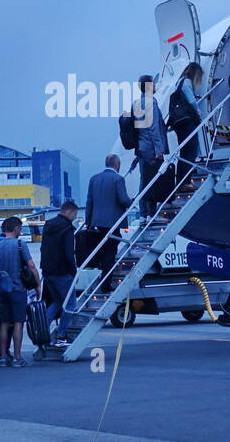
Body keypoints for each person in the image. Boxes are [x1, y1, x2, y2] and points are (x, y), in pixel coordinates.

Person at [0, 216, 40, 367]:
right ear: (16, 229)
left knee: (4, 323)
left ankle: (3, 357)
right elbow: (31, 265)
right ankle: (18, 357)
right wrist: (37, 284)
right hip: (18, 289)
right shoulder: (20, 244)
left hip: (1, 290)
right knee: (18, 322)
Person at [85, 154, 133, 288]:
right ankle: (106, 283)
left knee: (103, 250)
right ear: (117, 165)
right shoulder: (118, 179)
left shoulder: (94, 179)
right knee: (110, 252)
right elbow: (123, 199)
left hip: (97, 223)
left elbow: (89, 202)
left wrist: (88, 222)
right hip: (112, 223)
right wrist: (132, 203)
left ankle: (103, 276)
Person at [41, 201, 79, 345]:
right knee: (70, 303)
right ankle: (61, 336)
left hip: (47, 271)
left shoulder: (49, 225)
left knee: (56, 301)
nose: (75, 217)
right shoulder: (67, 229)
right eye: (75, 214)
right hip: (62, 272)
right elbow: (69, 253)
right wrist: (73, 271)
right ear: (69, 212)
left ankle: (42, 332)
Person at [133, 73, 169, 217]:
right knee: (154, 182)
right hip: (151, 149)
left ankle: (143, 213)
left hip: (142, 148)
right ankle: (151, 213)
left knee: (144, 181)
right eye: (153, 84)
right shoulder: (151, 102)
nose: (155, 86)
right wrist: (159, 150)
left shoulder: (136, 103)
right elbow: (153, 128)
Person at [168, 62, 207, 180]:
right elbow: (192, 102)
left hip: (179, 123)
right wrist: (199, 115)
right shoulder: (186, 83)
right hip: (187, 122)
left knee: (184, 153)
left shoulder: (179, 83)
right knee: (191, 151)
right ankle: (185, 181)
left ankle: (182, 181)